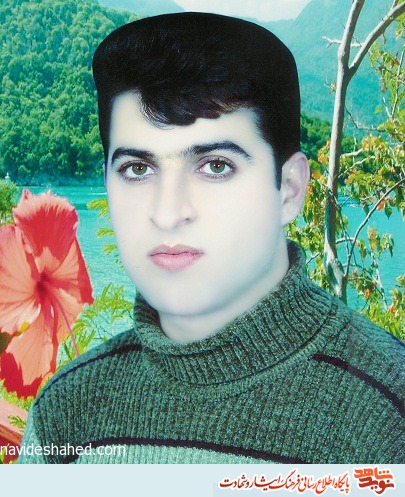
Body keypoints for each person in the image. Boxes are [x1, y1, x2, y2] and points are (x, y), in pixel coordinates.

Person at [19, 12, 404, 464]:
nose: (168, 214)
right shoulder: (65, 414)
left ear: (290, 189)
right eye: (137, 169)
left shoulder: (388, 411)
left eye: (216, 166)